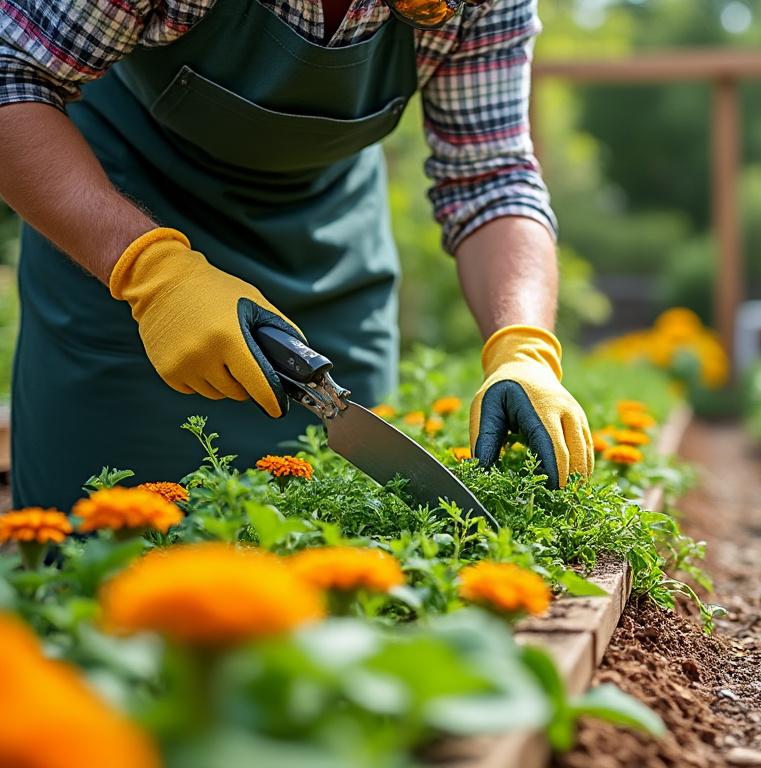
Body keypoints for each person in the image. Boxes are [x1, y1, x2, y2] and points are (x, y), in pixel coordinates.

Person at [0, 0, 593, 509]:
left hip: (326, 248)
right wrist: (150, 272)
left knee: (342, 549)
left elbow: (490, 178)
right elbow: (10, 74)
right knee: (98, 559)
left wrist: (523, 348)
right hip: (121, 224)